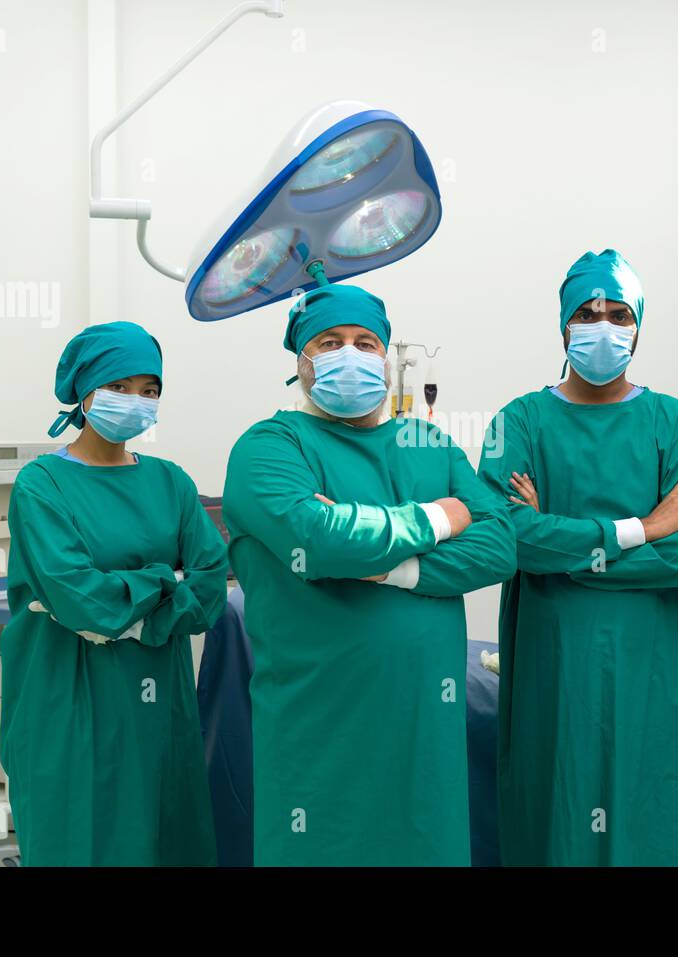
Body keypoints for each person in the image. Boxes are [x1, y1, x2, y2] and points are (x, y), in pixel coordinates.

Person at [222, 283, 517, 866]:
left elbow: (501, 544)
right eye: (329, 343)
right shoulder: (270, 446)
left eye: (365, 342)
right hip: (322, 721)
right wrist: (443, 515)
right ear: (301, 361)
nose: (350, 355)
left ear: (385, 358)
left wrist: (397, 569)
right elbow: (322, 540)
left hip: (423, 728)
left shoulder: (426, 440)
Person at [478, 249, 678, 865]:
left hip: (651, 667)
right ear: (563, 326)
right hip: (552, 665)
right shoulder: (520, 421)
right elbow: (511, 541)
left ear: (638, 326)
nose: (603, 326)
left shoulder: (674, 422)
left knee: (650, 813)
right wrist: (646, 526)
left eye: (618, 314)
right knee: (555, 810)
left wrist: (560, 545)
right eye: (587, 313)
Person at [1, 321, 228, 866]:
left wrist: (130, 606)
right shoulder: (41, 484)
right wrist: (163, 580)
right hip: (67, 692)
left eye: (149, 390)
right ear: (84, 391)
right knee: (78, 830)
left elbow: (210, 585)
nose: (136, 401)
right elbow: (81, 597)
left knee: (162, 828)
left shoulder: (170, 481)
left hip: (156, 697)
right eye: (119, 387)